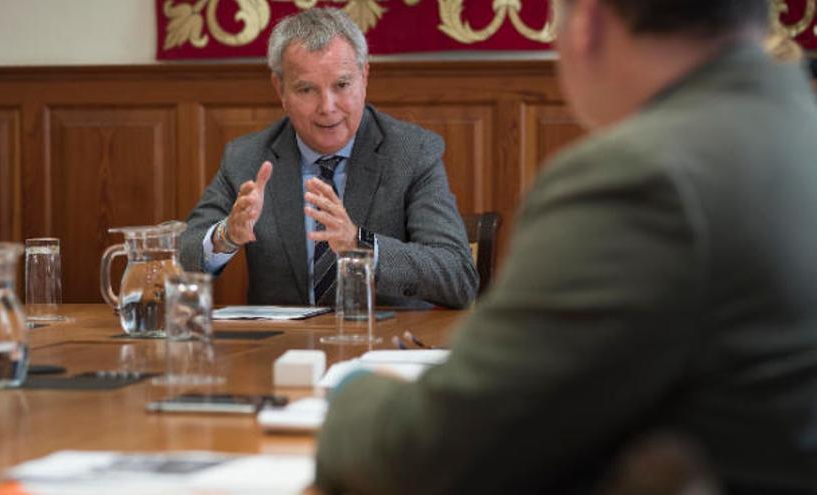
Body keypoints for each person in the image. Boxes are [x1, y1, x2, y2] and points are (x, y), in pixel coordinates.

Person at [315, 0, 817, 493]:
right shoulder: (797, 127)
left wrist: (349, 396)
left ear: (588, 24)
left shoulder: (638, 176)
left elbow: (440, 451)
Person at [179, 8, 477, 309]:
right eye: (306, 89)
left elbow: (458, 276)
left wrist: (360, 244)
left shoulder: (411, 153)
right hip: (284, 352)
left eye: (342, 85)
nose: (327, 106)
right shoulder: (248, 158)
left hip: (383, 347)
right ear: (280, 89)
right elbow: (181, 257)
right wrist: (225, 235)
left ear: (364, 77)